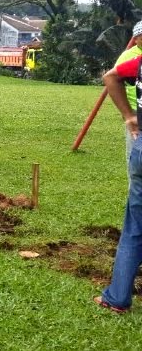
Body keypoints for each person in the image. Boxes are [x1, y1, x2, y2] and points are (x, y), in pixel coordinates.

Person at [96, 21, 142, 313]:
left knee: (135, 228)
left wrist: (128, 116)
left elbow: (110, 76)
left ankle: (117, 298)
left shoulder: (138, 62)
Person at [114, 22, 142, 163]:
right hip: (135, 109)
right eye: (140, 36)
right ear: (135, 39)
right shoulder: (128, 56)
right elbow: (112, 79)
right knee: (135, 156)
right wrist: (127, 114)